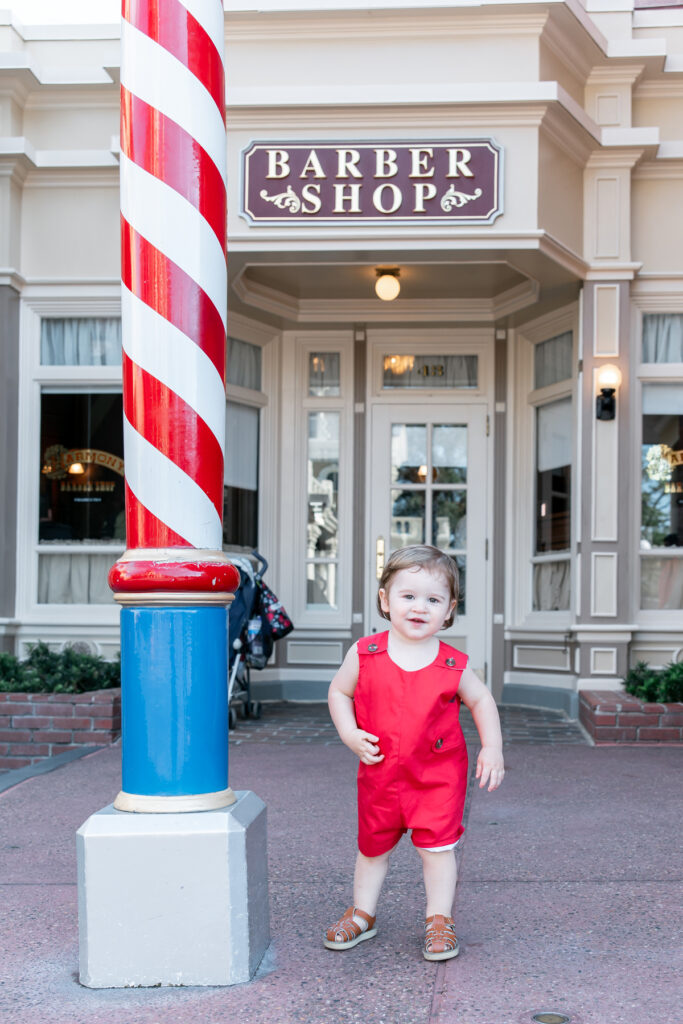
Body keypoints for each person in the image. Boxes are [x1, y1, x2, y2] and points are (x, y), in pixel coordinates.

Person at [324, 544, 504, 961]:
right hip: (381, 774)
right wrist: (350, 733)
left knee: (436, 850)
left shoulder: (453, 664)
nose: (419, 607)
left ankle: (439, 919)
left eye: (433, 599)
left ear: (449, 610)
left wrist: (491, 747)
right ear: (385, 600)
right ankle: (363, 913)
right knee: (372, 848)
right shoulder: (365, 653)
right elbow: (339, 691)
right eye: (408, 596)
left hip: (436, 777)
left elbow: (481, 701)